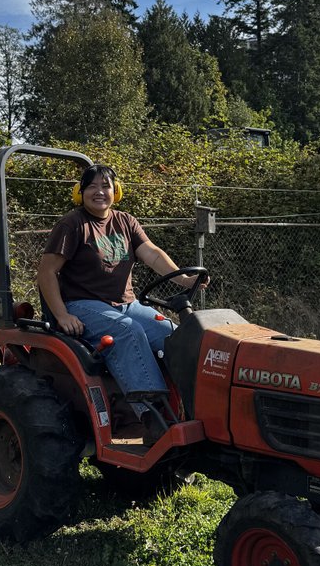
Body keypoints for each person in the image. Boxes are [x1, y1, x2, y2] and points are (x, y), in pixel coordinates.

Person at [37, 163, 202, 423]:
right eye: (92, 186)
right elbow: (46, 272)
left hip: (127, 304)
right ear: (80, 192)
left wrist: (183, 279)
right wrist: (62, 315)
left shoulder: (125, 221)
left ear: (117, 191)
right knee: (128, 331)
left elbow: (151, 253)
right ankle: (153, 418)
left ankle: (194, 405)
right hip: (82, 304)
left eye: (106, 186)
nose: (99, 192)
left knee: (175, 335)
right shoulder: (72, 224)